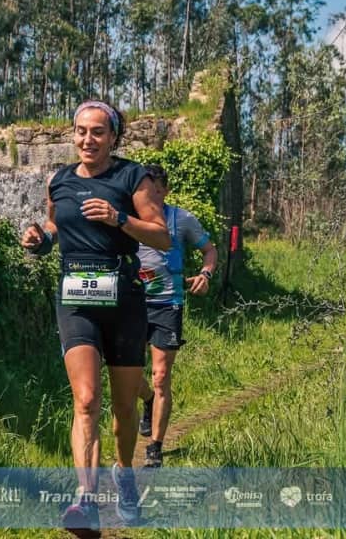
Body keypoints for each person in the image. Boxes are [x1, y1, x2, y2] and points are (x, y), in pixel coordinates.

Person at [21, 101, 170, 532]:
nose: (88, 139)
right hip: (76, 298)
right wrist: (40, 238)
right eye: (81, 131)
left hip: (124, 300)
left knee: (124, 407)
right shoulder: (60, 180)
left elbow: (161, 237)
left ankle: (124, 475)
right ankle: (85, 500)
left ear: (113, 137)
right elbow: (56, 227)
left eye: (98, 132)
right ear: (74, 134)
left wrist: (119, 218)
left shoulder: (133, 177)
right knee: (86, 400)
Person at [136, 164, 218, 468]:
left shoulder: (182, 219)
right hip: (132, 303)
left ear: (166, 191)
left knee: (160, 376)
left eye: (158, 191)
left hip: (168, 304)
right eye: (147, 191)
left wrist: (205, 275)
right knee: (129, 376)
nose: (152, 197)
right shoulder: (127, 219)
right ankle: (147, 400)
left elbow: (210, 251)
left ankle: (155, 446)